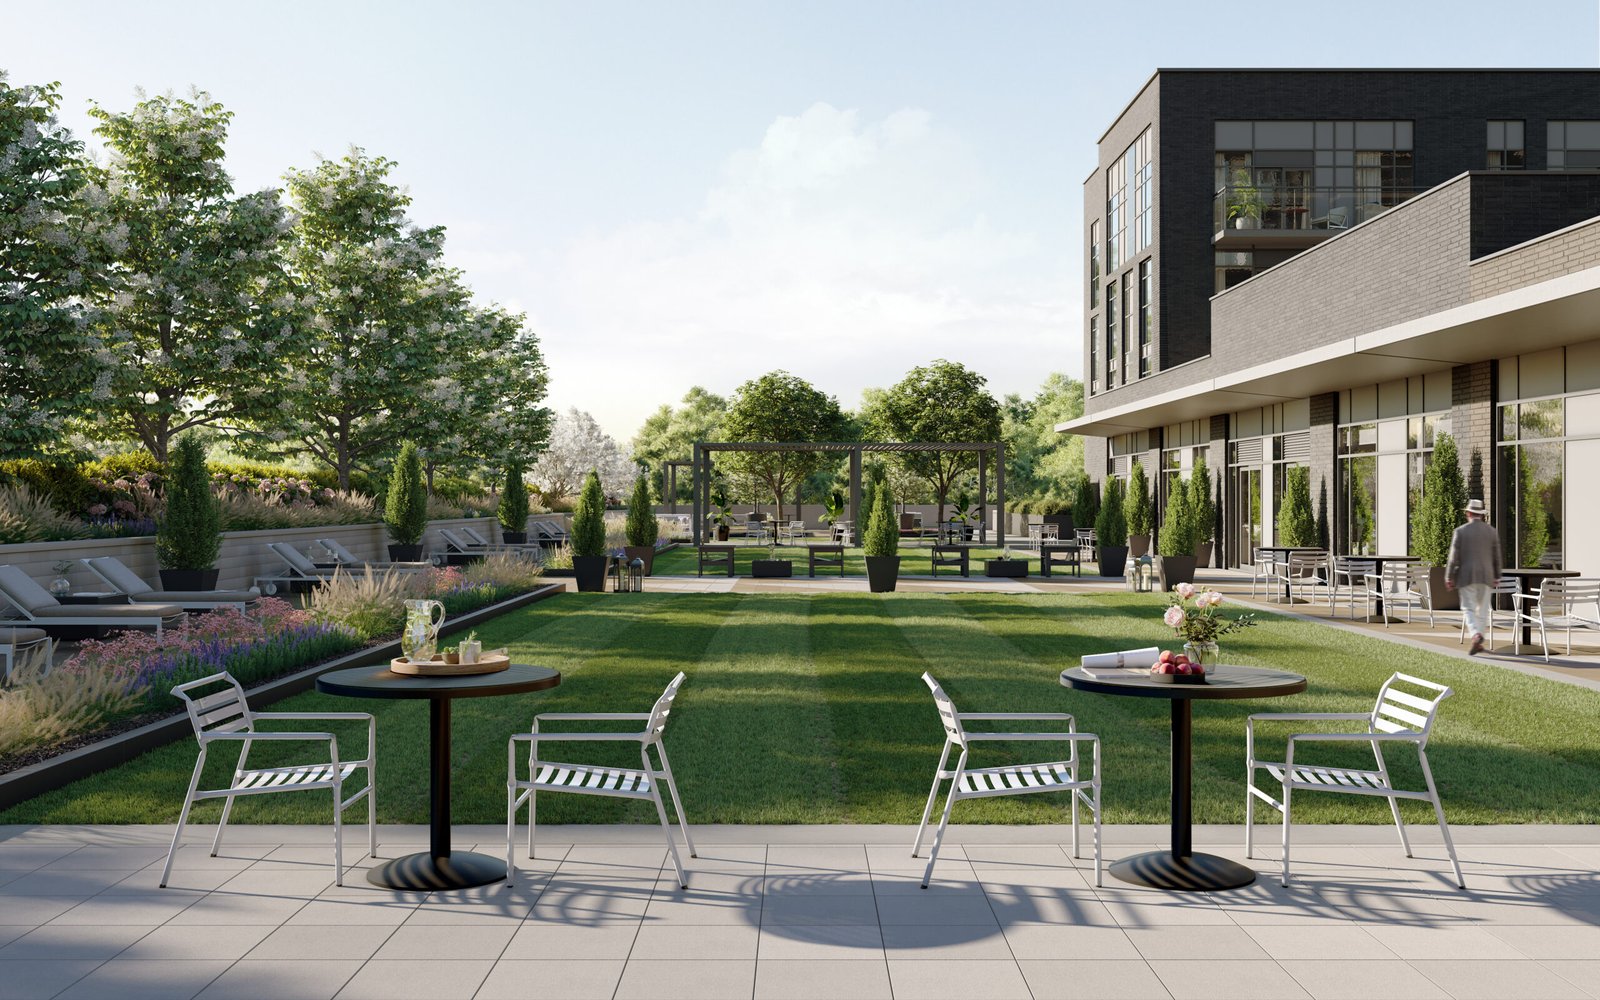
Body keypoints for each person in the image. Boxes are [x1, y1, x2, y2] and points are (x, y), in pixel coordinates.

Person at [1445, 499, 1503, 655]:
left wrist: (1449, 577)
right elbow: (1496, 556)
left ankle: (1475, 635)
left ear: (1468, 513)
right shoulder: (1492, 531)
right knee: (1483, 610)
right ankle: (1479, 638)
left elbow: (1453, 558)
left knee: (1468, 608)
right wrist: (1497, 575)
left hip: (1466, 576)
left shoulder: (1460, 531)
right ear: (1481, 515)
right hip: (1486, 576)